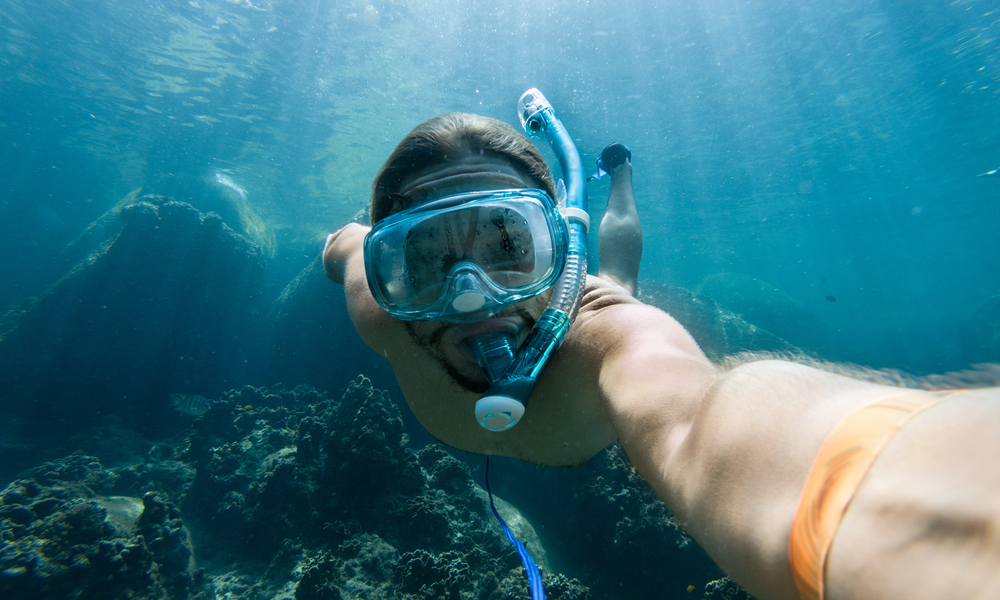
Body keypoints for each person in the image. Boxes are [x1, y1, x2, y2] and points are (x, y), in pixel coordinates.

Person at [323, 112, 1000, 600]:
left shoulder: (609, 337)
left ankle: (618, 176)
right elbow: (344, 243)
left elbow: (702, 418)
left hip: (594, 287)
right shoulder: (375, 304)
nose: (473, 298)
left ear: (558, 252)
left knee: (619, 275)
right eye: (427, 258)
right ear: (388, 272)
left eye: (508, 246)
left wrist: (901, 510)